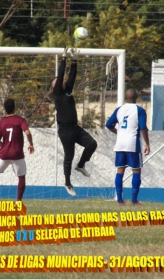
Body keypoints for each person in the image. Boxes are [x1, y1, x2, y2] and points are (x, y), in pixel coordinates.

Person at [51, 47, 97, 197]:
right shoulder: (57, 93)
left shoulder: (67, 91)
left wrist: (75, 60)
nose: (61, 82)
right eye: (57, 82)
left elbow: (71, 76)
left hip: (75, 128)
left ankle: (81, 165)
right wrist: (63, 59)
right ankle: (67, 183)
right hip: (65, 131)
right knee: (68, 156)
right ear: (55, 87)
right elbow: (61, 74)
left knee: (92, 144)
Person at [105, 88, 150, 205]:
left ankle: (120, 200)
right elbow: (143, 127)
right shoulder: (139, 110)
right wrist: (147, 144)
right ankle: (134, 201)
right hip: (132, 144)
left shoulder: (119, 109)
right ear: (136, 98)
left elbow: (108, 124)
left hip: (120, 144)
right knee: (136, 171)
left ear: (125, 97)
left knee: (120, 170)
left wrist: (118, 132)